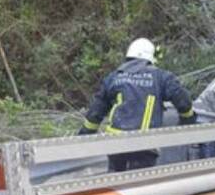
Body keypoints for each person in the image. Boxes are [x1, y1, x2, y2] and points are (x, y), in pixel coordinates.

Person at [78, 38, 196, 172]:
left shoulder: (114, 77)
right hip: (144, 143)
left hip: (116, 142)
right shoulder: (161, 77)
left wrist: (84, 136)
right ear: (149, 57)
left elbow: (95, 112)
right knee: (140, 186)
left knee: (116, 182)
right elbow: (183, 102)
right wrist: (188, 121)